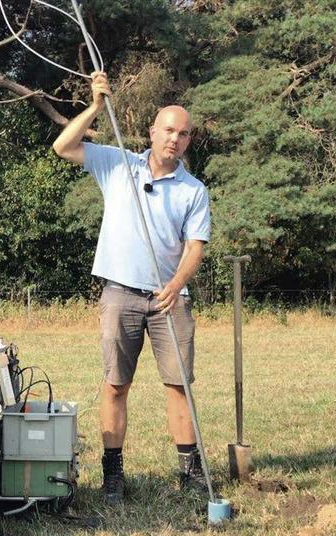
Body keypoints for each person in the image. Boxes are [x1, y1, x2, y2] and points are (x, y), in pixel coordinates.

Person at [52, 72, 211, 503]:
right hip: (120, 293)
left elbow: (196, 246)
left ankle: (190, 471)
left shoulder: (193, 191)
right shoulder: (117, 162)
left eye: (183, 134)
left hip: (168, 298)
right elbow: (62, 146)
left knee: (179, 385)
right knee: (116, 384)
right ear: (152, 133)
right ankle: (113, 476)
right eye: (168, 131)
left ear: (188, 141)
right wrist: (95, 108)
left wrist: (177, 284)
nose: (175, 139)